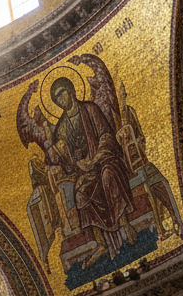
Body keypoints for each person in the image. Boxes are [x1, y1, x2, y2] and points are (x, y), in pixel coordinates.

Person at [45, 77, 136, 268]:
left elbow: (106, 134)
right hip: (84, 169)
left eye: (63, 94)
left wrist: (95, 157)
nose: (62, 100)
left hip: (103, 158)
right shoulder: (61, 127)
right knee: (80, 194)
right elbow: (67, 161)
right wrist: (67, 158)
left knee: (108, 176)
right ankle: (101, 244)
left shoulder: (90, 109)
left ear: (71, 91)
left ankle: (125, 223)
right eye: (58, 99)